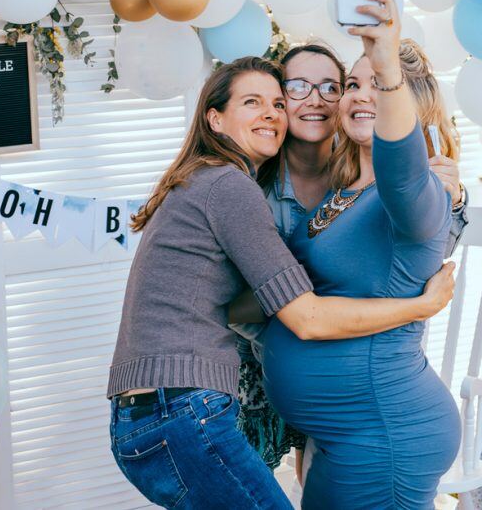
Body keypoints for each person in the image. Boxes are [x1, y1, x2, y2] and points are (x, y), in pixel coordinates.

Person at [107, 56, 456, 510]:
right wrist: (420, 307)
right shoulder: (230, 186)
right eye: (252, 102)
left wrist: (455, 194)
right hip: (182, 409)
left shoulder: (216, 180)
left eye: (276, 102)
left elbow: (407, 187)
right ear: (215, 118)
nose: (272, 113)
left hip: (167, 409)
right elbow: (306, 317)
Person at [263, 0, 461, 509]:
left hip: (385, 433)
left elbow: (402, 163)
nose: (360, 95)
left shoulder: (416, 193)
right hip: (340, 433)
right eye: (354, 84)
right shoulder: (343, 191)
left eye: (379, 84)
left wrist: (387, 64)